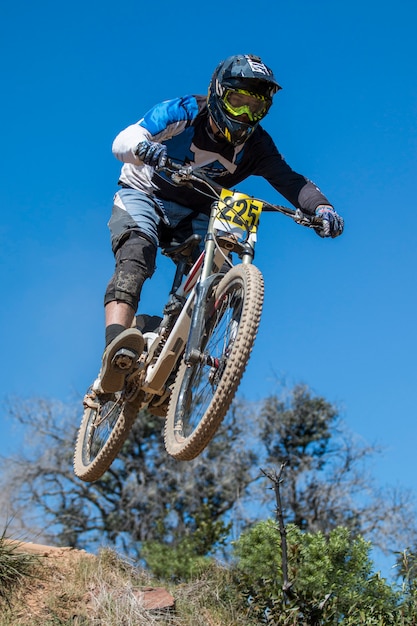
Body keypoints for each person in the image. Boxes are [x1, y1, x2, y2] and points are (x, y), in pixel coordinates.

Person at [96, 53, 344, 394]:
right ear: (217, 93)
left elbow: (291, 181)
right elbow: (122, 140)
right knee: (136, 254)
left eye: (254, 108)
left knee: (220, 269)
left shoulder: (257, 145)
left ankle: (171, 351)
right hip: (145, 192)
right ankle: (116, 349)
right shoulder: (186, 110)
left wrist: (323, 208)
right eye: (237, 101)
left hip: (198, 209)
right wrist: (143, 147)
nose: (244, 115)